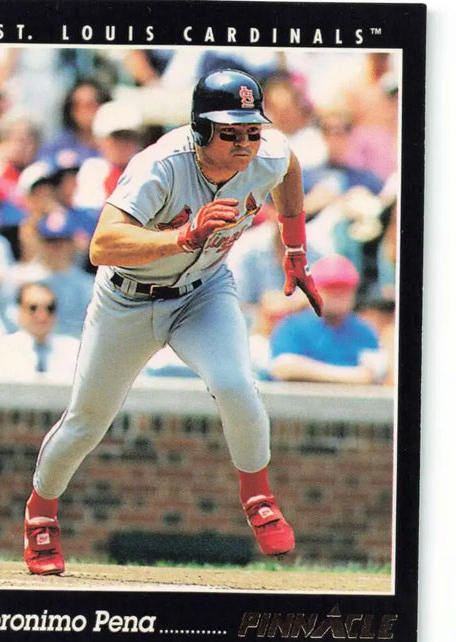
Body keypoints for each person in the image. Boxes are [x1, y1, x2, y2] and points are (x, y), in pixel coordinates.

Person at [23, 69, 323, 575]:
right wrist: (183, 236)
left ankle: (258, 498)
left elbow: (288, 163)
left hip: (204, 291)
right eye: (230, 132)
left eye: (251, 129)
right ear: (200, 129)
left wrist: (295, 245)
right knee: (87, 421)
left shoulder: (265, 151)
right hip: (127, 301)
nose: (245, 143)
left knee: (236, 385)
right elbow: (103, 245)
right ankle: (41, 513)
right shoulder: (161, 164)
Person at [268, 254, 385, 385]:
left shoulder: (363, 330)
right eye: (331, 289)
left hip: (350, 404)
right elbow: (283, 367)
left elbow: (373, 374)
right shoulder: (293, 327)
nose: (338, 295)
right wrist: (349, 376)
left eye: (344, 289)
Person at [0, 283, 80, 382]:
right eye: (33, 308)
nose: (42, 316)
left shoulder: (74, 351)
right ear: (19, 311)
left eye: (50, 308)